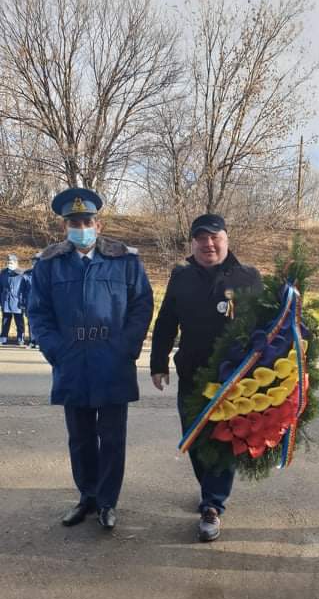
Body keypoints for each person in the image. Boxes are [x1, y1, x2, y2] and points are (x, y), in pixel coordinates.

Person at [28, 188, 153, 529]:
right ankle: (88, 496)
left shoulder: (125, 261)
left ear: (99, 225)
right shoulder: (49, 264)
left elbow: (142, 305)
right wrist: (56, 350)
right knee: (80, 438)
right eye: (74, 222)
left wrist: (126, 347)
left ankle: (108, 502)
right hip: (72, 363)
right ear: (65, 227)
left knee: (112, 438)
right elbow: (38, 313)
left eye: (87, 222)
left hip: (112, 362)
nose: (81, 228)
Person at [150, 214, 262, 542]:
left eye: (214, 237)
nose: (208, 244)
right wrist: (158, 364)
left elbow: (265, 325)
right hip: (192, 372)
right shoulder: (181, 276)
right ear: (193, 242)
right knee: (195, 438)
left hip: (233, 378)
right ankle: (208, 490)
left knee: (223, 440)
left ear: (226, 239)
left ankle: (213, 505)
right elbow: (166, 321)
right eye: (201, 238)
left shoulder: (248, 276)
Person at [0, 253, 26, 345]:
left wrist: (23, 301)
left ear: (16, 263)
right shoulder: (3, 273)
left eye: (11, 262)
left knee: (19, 322)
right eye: (8, 262)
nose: (9, 264)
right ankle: (3, 338)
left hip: (18, 302)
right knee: (5, 321)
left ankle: (20, 338)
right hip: (6, 301)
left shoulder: (22, 274)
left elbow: (25, 289)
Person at [22, 252, 42, 348]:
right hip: (29, 303)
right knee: (30, 323)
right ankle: (32, 341)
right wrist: (22, 302)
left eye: (36, 261)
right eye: (33, 261)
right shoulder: (26, 274)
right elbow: (22, 290)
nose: (34, 263)